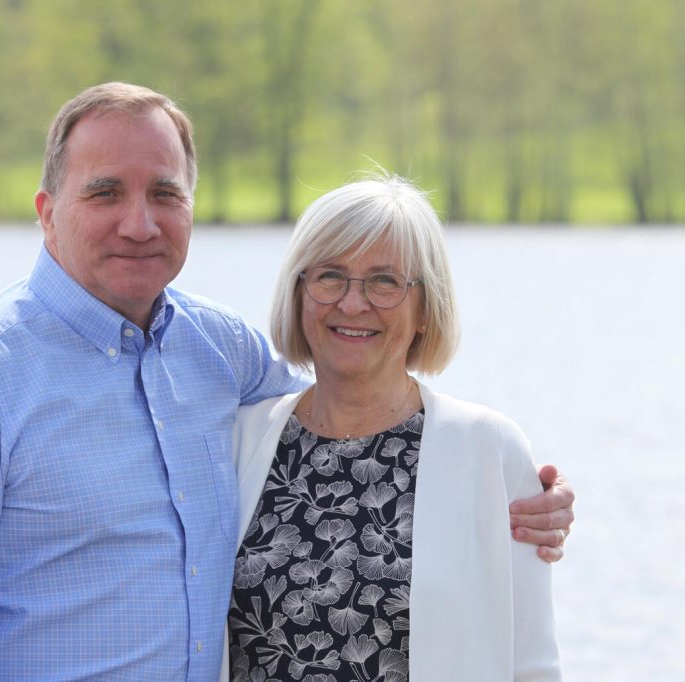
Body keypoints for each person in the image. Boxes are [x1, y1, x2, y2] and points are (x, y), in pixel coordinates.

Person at [0, 82, 572, 681]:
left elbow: (360, 394)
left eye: (164, 193)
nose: (139, 223)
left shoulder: (219, 354)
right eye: (104, 193)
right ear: (46, 211)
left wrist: (515, 485)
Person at [225, 175, 560, 680]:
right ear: (298, 292)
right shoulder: (238, 440)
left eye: (385, 281)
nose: (353, 303)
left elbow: (533, 663)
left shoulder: (489, 452)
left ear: (426, 308)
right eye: (330, 276)